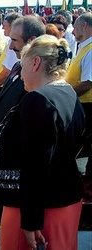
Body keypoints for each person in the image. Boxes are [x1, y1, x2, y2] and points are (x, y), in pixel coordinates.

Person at [0, 34, 84, 250]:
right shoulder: (67, 92)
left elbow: (36, 164)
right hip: (63, 200)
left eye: (21, 66)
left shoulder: (39, 99)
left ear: (35, 63)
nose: (20, 75)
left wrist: (30, 221)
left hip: (38, 208)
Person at [0, 15, 46, 150]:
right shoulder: (18, 66)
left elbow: (22, 119)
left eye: (14, 40)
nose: (10, 46)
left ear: (31, 41)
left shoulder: (38, 77)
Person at [66, 13, 92, 182]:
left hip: (86, 107)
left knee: (82, 148)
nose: (73, 31)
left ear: (84, 26)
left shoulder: (90, 50)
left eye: (75, 27)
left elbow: (88, 82)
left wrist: (64, 94)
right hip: (80, 104)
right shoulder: (83, 47)